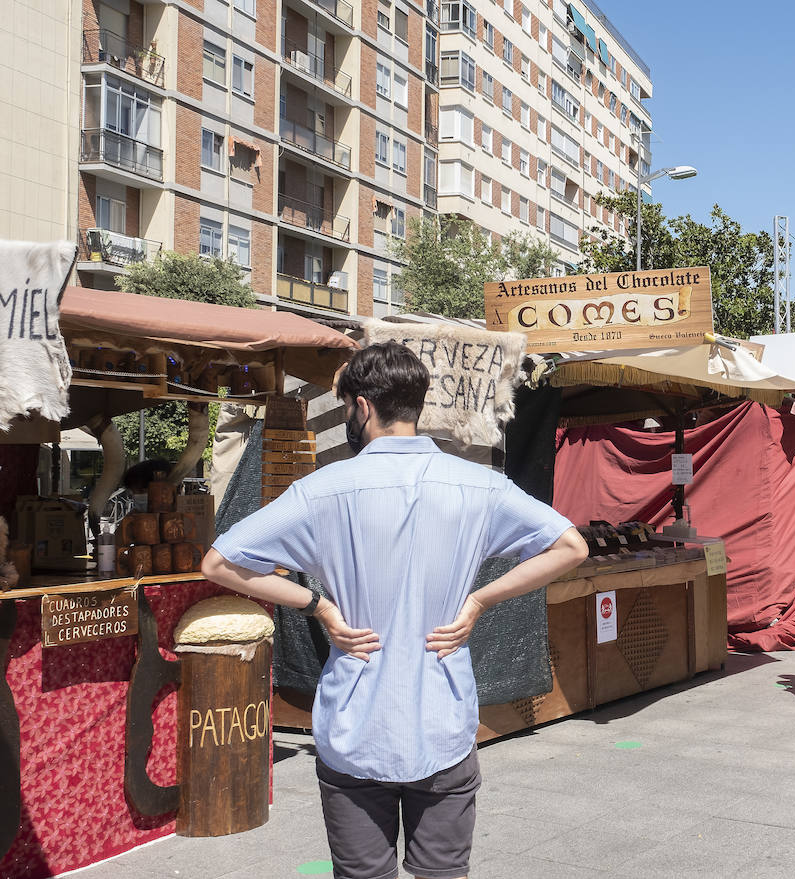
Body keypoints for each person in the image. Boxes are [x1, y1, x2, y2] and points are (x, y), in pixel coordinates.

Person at [201, 342, 589, 879]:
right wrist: (479, 599)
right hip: (444, 720)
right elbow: (571, 547)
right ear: (415, 403)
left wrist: (318, 606)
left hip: (354, 725)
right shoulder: (478, 484)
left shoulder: (321, 489)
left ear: (360, 407)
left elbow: (218, 563)